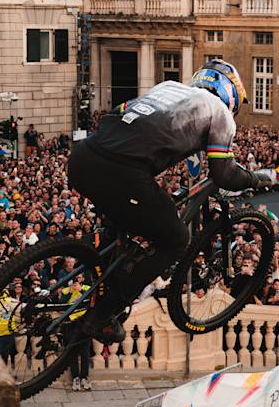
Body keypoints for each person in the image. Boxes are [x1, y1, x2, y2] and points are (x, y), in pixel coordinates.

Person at [68, 60, 268, 344]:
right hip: (123, 172)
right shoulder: (220, 112)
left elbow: (123, 116)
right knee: (176, 239)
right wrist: (254, 178)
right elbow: (224, 174)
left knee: (123, 227)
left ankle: (100, 278)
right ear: (231, 93)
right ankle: (102, 315)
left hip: (83, 156)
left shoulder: (168, 87)